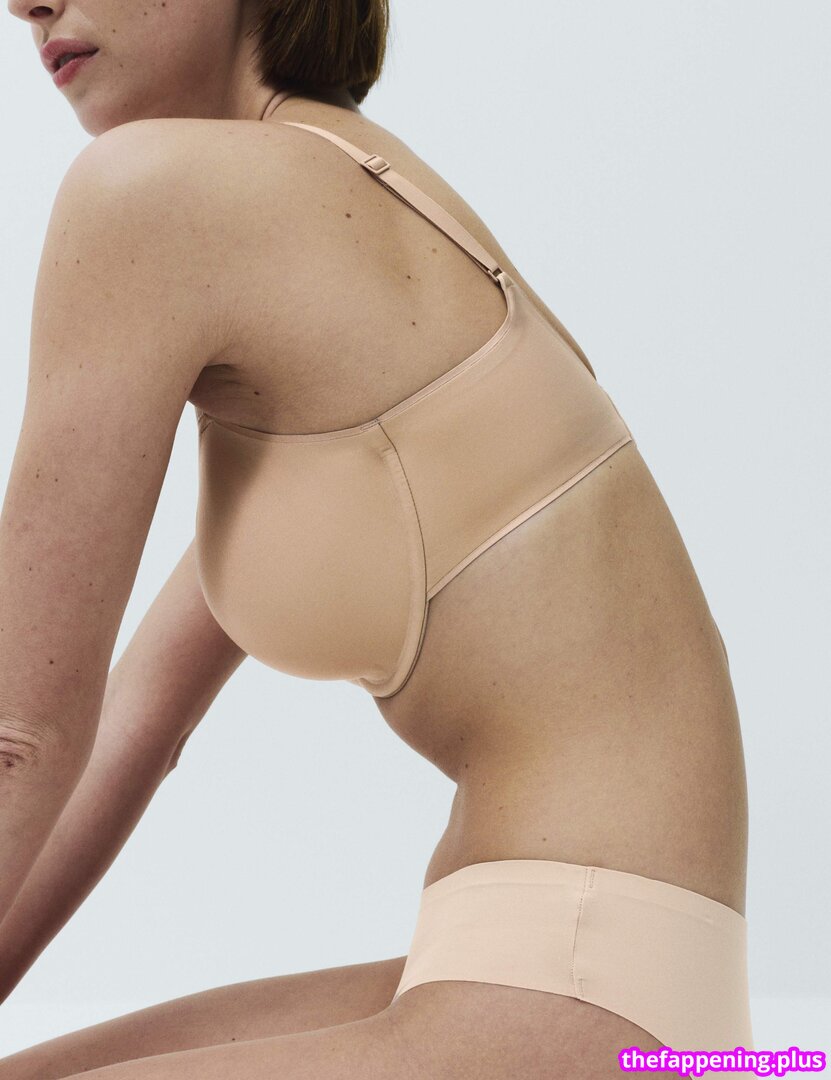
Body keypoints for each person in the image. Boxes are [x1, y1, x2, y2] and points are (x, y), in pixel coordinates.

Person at [0, 0, 754, 1077]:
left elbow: (21, 735)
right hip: (599, 978)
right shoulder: (364, 186)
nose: (23, 2)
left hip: (577, 994)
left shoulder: (153, 192)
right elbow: (129, 725)